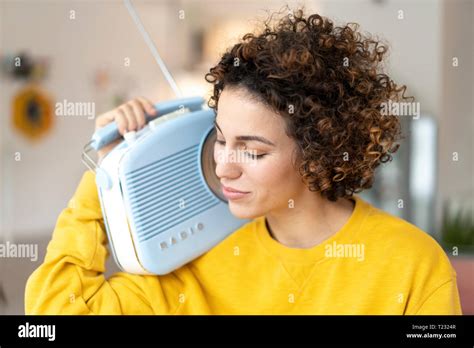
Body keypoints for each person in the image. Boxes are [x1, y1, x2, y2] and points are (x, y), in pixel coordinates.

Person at [25, 9, 462, 315]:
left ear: (320, 150)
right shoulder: (197, 255)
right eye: (220, 140)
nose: (224, 167)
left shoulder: (410, 264)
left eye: (252, 151)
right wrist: (107, 171)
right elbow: (53, 314)